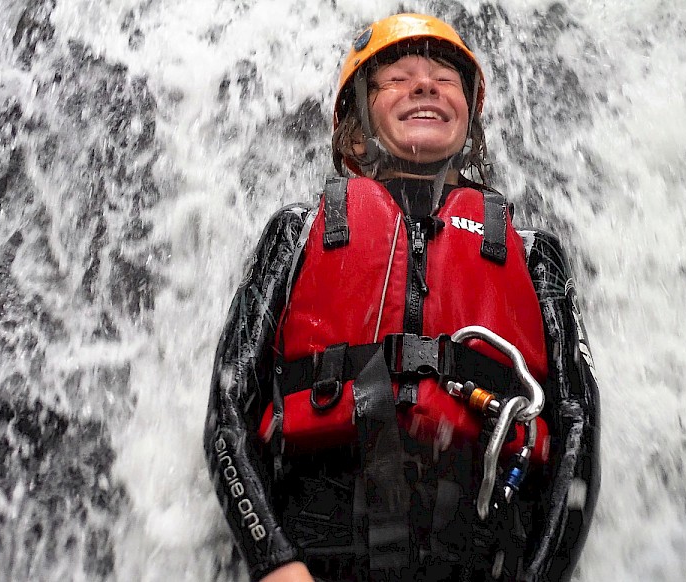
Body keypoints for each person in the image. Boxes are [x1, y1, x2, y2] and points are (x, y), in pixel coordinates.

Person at [205, 13, 600, 582]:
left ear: (469, 120)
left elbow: (577, 427)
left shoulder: (534, 254)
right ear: (357, 130)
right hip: (317, 559)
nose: (425, 84)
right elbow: (228, 407)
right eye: (398, 76)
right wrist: (272, 561)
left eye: (445, 76)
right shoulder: (295, 232)